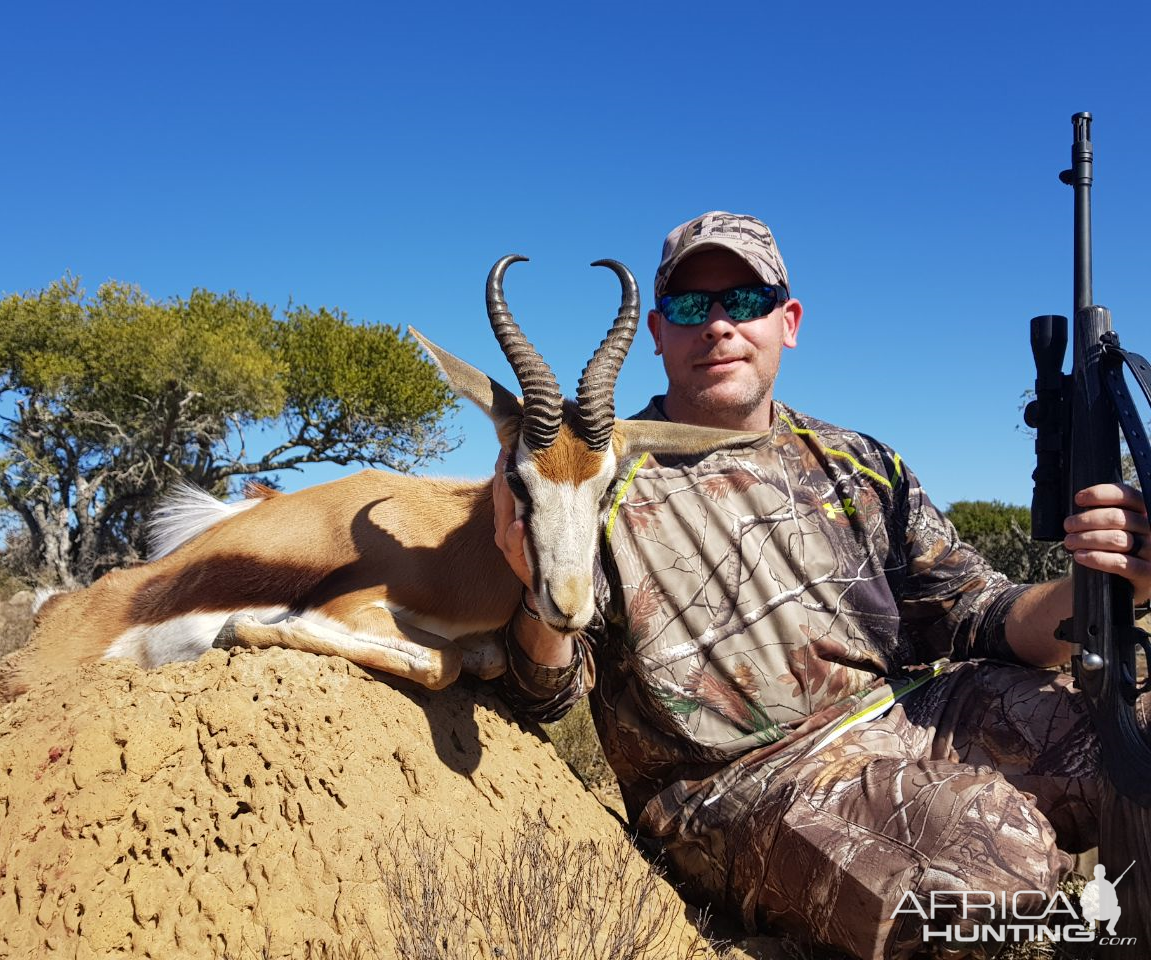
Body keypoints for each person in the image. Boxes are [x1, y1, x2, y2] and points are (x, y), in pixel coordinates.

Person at [492, 211, 1151, 959]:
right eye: (689, 306)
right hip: (742, 785)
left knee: (1138, 739)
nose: (718, 326)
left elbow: (986, 617)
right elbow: (541, 698)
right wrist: (540, 589)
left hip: (914, 712)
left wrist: (1110, 581)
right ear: (656, 331)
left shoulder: (860, 463)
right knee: (991, 875)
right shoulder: (595, 478)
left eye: (744, 302)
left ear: (788, 320)